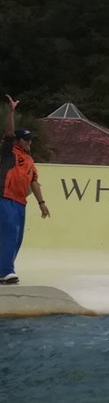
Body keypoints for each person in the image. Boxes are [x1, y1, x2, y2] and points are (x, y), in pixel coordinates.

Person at [0, 95, 50, 284]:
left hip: (21, 202)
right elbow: (9, 133)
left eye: (31, 140)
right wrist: (11, 112)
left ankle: (4, 270)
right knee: (9, 235)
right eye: (26, 140)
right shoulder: (9, 151)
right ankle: (6, 271)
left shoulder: (29, 160)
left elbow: (34, 181)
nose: (29, 142)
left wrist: (41, 203)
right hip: (5, 198)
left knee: (17, 239)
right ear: (18, 140)